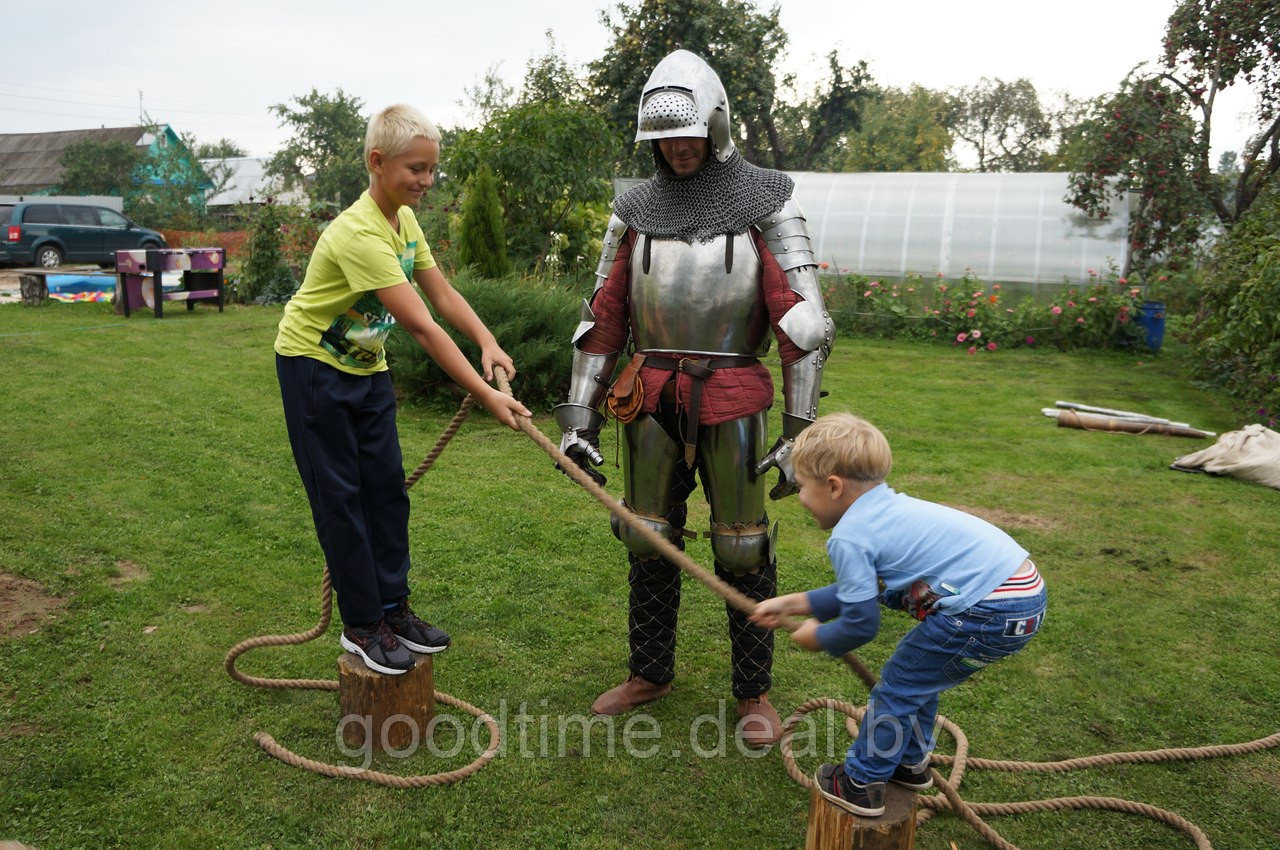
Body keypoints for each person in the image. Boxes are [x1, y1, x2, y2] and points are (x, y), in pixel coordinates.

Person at [554, 50, 834, 747]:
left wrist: (798, 430)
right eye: (663, 141)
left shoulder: (764, 202)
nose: (677, 150)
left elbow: (802, 320)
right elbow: (603, 317)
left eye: (687, 135)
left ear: (716, 127)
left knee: (743, 550)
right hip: (649, 395)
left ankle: (754, 692)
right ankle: (650, 671)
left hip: (733, 394)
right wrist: (576, 420)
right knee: (646, 536)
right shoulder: (635, 210)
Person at [275, 104, 530, 676]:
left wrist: (487, 341)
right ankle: (364, 625)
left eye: (432, 169)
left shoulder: (405, 222)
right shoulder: (357, 232)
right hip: (313, 368)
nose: (427, 180)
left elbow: (442, 295)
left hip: (367, 368)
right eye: (416, 168)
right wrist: (487, 396)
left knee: (387, 491)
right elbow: (420, 326)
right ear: (376, 162)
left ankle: (394, 608)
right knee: (342, 500)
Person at [750, 413, 1047, 816]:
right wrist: (796, 604)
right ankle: (910, 763)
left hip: (985, 609)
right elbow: (862, 592)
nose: (799, 497)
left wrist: (816, 638)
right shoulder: (887, 513)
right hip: (1020, 598)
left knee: (899, 686)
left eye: (801, 487)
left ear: (833, 486)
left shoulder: (851, 536)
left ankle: (861, 782)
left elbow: (860, 622)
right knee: (918, 680)